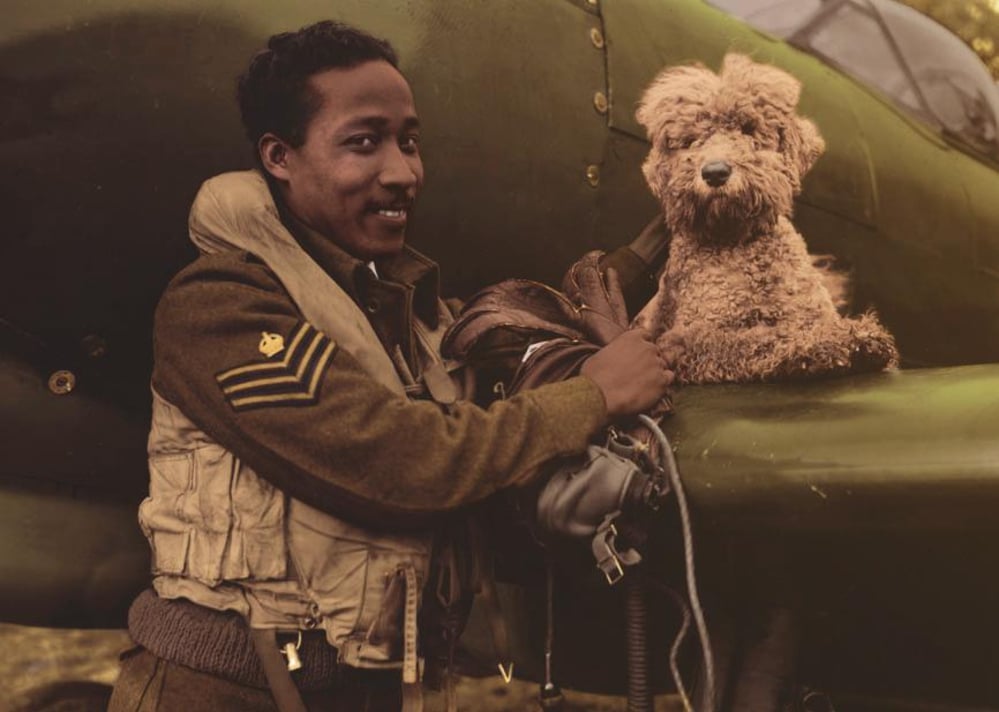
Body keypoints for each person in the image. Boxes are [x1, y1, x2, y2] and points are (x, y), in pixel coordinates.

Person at [108, 19, 674, 712]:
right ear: (279, 157)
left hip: (360, 689)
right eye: (363, 142)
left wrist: (658, 251)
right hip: (225, 690)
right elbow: (399, 459)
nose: (403, 172)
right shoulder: (222, 306)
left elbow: (504, 345)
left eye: (408, 141)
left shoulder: (390, 309)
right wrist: (592, 396)